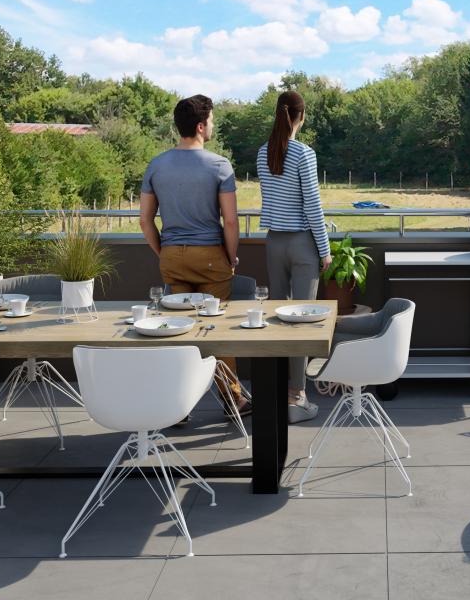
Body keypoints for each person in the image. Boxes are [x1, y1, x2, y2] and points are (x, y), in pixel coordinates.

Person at [138, 94, 248, 414]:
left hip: (173, 256)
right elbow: (230, 221)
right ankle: (233, 399)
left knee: (177, 331)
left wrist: (164, 252)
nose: (212, 125)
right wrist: (230, 256)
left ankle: (177, 407)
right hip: (211, 256)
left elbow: (145, 220)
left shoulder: (157, 165)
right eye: (211, 120)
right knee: (216, 329)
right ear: (200, 126)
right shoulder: (219, 165)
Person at [257, 90, 330, 423]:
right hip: (301, 245)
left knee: (277, 318)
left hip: (274, 243)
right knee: (301, 321)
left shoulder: (263, 152)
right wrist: (325, 250)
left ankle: (276, 391)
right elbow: (313, 206)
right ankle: (297, 396)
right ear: (302, 116)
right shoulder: (304, 153)